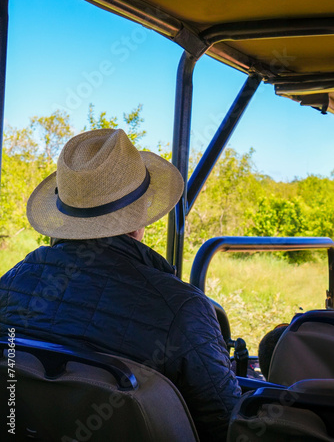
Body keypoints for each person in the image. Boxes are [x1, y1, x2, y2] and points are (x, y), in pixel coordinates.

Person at [0, 128, 241, 441]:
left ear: (64, 216)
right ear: (140, 216)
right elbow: (229, 426)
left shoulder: (10, 284)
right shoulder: (182, 310)